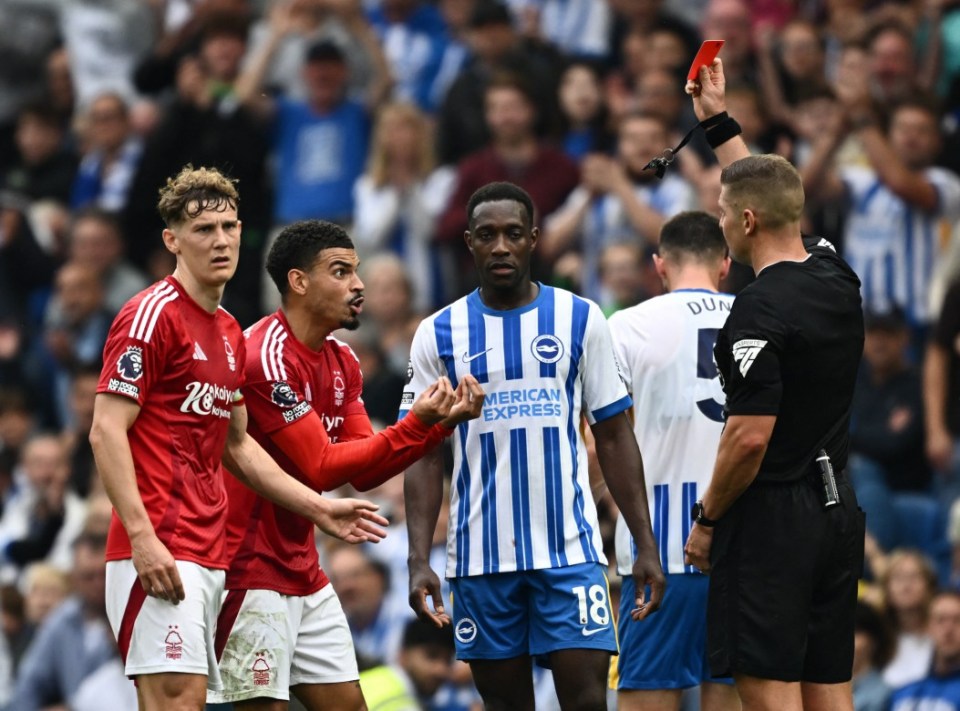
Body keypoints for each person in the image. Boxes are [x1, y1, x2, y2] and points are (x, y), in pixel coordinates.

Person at [88, 166, 389, 711]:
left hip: (210, 550)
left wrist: (317, 506)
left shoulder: (229, 331)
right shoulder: (149, 315)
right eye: (203, 230)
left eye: (229, 227)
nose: (221, 240)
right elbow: (106, 429)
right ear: (171, 240)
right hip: (160, 541)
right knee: (175, 703)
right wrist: (142, 536)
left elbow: (237, 445)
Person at [402, 181, 664, 710]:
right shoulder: (438, 332)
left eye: (513, 234)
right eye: (487, 235)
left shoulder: (581, 318)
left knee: (588, 702)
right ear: (470, 243)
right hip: (480, 558)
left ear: (534, 240)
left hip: (569, 553)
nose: (501, 246)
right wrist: (416, 557)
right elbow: (424, 452)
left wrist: (644, 541)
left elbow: (614, 434)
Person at [211, 219, 483, 710]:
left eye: (356, 272)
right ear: (299, 282)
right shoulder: (263, 356)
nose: (358, 285)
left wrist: (438, 425)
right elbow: (321, 466)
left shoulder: (342, 360)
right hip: (245, 567)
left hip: (303, 566)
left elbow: (366, 470)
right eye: (341, 272)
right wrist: (415, 422)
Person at [681, 59, 866, 711]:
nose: (721, 220)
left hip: (774, 521)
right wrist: (717, 123)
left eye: (725, 211)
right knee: (829, 690)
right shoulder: (833, 271)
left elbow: (749, 438)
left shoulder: (755, 311)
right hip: (838, 506)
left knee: (770, 693)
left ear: (748, 222)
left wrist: (706, 521)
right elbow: (769, 188)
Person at [607, 211, 740, 711]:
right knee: (731, 693)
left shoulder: (626, 326)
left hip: (660, 545)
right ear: (725, 264)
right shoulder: (760, 315)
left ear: (659, 265)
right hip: (746, 543)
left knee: (647, 695)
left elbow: (601, 434)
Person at [359, 617, 458, 711]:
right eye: (432, 655)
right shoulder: (403, 705)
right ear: (404, 654)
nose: (440, 670)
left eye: (448, 661)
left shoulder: (366, 679)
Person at [889, 590, 960, 710]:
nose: (948, 629)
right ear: (928, 627)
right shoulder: (903, 692)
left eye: (957, 620)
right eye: (940, 620)